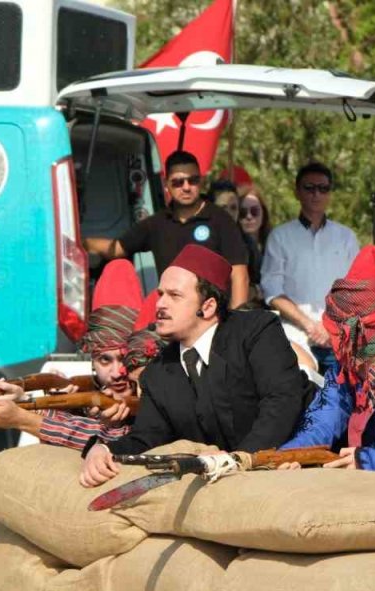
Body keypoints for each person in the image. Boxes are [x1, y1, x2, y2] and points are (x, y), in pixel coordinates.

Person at [80, 244, 313, 487]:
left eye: (174, 295)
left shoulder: (255, 330)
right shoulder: (158, 372)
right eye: (160, 294)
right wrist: (101, 449)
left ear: (208, 306)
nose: (160, 304)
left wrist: (240, 458)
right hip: (229, 485)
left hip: (298, 461)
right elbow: (148, 438)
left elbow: (281, 400)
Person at [280, 246, 375, 470]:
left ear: (358, 336)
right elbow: (320, 425)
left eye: (338, 334)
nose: (332, 339)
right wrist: (291, 455)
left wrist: (367, 460)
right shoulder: (341, 372)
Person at [0, 269, 162, 447]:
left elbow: (118, 440)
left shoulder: (158, 399)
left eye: (124, 359)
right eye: (105, 360)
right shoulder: (88, 395)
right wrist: (26, 401)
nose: (117, 373)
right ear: (92, 362)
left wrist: (24, 418)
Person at [85, 150, 250, 308]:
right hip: (172, 319)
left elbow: (239, 275)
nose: (186, 187)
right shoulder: (157, 223)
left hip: (212, 318)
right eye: (178, 182)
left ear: (201, 182)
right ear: (166, 184)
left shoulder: (221, 220)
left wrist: (237, 324)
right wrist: (79, 242)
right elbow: (116, 249)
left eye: (192, 180)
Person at [260, 162, 361, 372]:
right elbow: (272, 291)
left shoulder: (346, 237)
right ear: (297, 192)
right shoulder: (280, 236)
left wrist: (329, 326)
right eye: (309, 188)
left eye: (323, 188)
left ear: (330, 193)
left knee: (339, 401)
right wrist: (309, 325)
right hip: (294, 337)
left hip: (339, 338)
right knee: (301, 399)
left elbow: (356, 290)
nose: (317, 194)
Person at [237, 185, 271, 298]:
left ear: (263, 212)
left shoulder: (275, 242)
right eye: (242, 212)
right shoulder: (233, 246)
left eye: (254, 211)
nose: (249, 216)